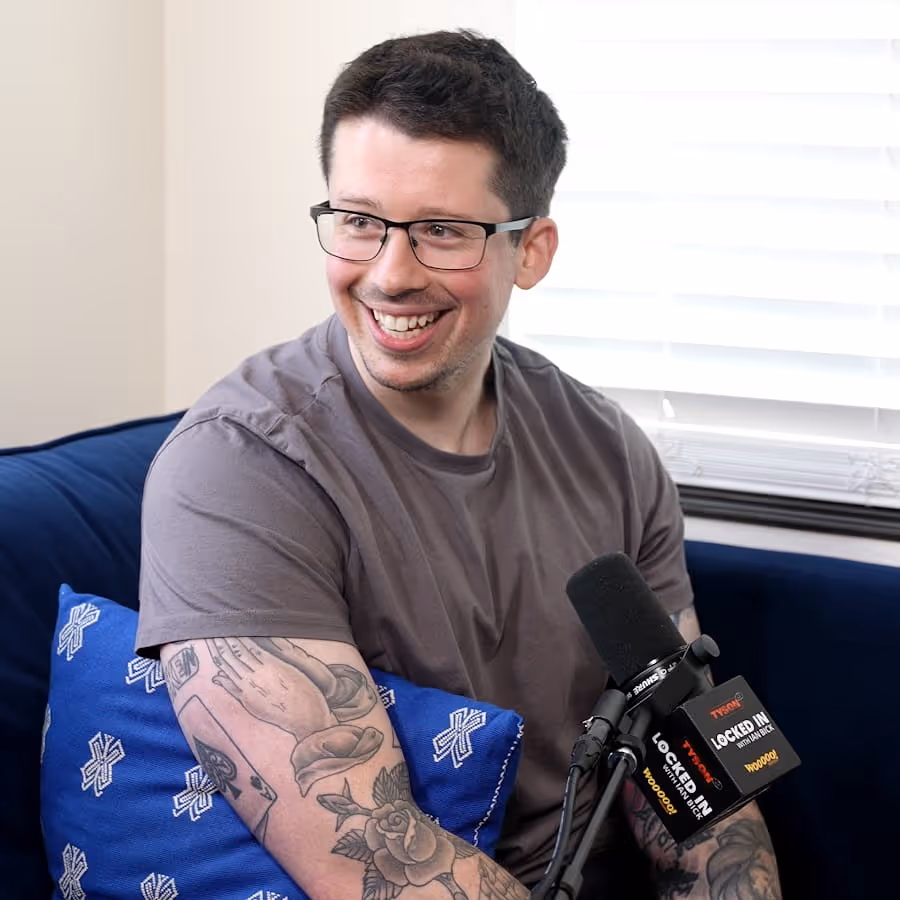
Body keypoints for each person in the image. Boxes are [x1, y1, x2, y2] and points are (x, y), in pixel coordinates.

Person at [136, 29, 781, 899]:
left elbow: (699, 780)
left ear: (533, 250)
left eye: (442, 231)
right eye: (359, 222)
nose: (389, 274)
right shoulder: (238, 470)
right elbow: (371, 860)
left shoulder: (612, 453)